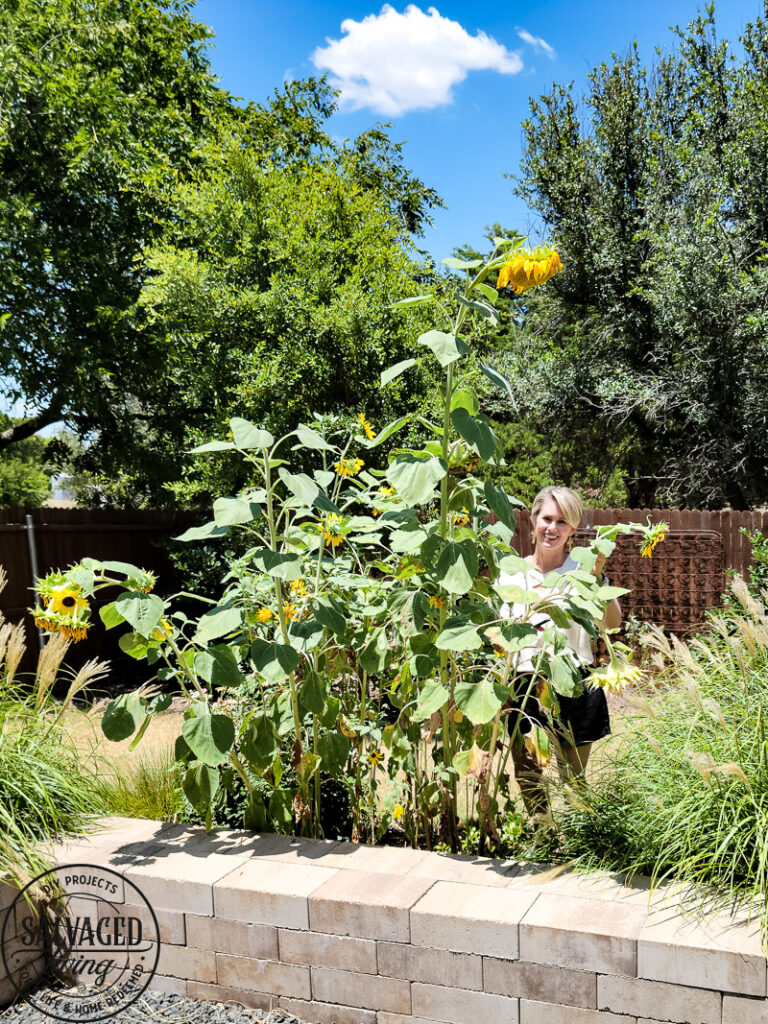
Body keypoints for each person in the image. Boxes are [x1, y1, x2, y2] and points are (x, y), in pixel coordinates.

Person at [497, 485, 621, 816]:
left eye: (562, 522)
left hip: (572, 680)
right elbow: (497, 632)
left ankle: (578, 850)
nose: (552, 528)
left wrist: (598, 581)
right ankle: (543, 843)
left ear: (573, 530)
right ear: (533, 520)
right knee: (528, 776)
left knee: (574, 783)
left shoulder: (582, 571)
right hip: (522, 684)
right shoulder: (511, 571)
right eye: (547, 518)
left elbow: (611, 623)